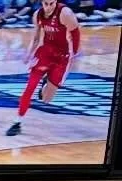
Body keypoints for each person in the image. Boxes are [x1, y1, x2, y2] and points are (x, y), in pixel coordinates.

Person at [6, 0, 80, 136]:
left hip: (62, 57)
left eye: (51, 4)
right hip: (45, 53)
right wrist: (28, 54)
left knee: (47, 99)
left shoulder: (65, 13)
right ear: (41, 2)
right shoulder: (38, 14)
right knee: (29, 87)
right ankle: (17, 122)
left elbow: (75, 33)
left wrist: (74, 54)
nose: (48, 7)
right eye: (46, 3)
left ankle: (46, 83)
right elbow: (35, 38)